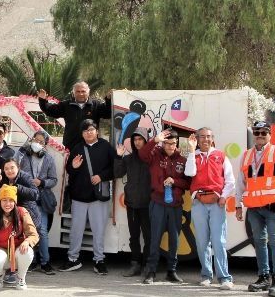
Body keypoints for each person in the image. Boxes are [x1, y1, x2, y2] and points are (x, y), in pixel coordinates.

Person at [238, 121, 275, 297]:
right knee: (259, 242)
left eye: (264, 133)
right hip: (254, 207)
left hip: (272, 206)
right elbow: (241, 183)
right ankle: (263, 277)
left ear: (270, 135)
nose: (260, 135)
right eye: (257, 132)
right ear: (253, 134)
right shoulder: (246, 155)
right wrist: (238, 205)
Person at [184, 127, 236, 289]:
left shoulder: (220, 156)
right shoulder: (193, 156)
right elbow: (189, 173)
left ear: (212, 138)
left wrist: (223, 196)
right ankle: (206, 275)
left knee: (218, 241)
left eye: (208, 136)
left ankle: (224, 277)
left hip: (216, 203)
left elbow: (230, 180)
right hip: (199, 202)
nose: (205, 139)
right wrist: (192, 151)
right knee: (201, 241)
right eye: (202, 137)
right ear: (197, 139)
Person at [60, 119, 114, 275]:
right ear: (82, 134)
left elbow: (115, 169)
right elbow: (69, 170)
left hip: (98, 197)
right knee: (76, 230)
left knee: (98, 231)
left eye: (91, 130)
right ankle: (73, 259)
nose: (89, 133)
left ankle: (99, 260)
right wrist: (73, 167)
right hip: (79, 197)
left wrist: (102, 176)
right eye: (85, 131)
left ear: (97, 131)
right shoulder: (78, 147)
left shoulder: (106, 147)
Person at [141, 129, 191, 284]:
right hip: (157, 203)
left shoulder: (182, 160)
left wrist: (174, 181)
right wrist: (154, 141)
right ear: (163, 143)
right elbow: (142, 154)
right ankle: (151, 271)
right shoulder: (155, 156)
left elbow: (188, 183)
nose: (171, 147)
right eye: (168, 143)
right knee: (155, 238)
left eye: (173, 144)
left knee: (174, 240)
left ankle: (172, 271)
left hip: (175, 205)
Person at [0, 185, 39, 290]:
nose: (8, 204)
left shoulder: (22, 212)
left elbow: (34, 234)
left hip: (17, 252)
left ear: (15, 202)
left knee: (27, 252)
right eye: (4, 200)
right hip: (0, 251)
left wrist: (27, 242)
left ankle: (20, 277)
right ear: (0, 201)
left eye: (11, 200)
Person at [17, 130, 58, 275]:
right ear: (32, 139)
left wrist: (41, 182)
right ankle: (30, 261)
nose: (38, 143)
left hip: (41, 200)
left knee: (42, 231)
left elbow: (54, 180)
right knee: (26, 230)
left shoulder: (49, 159)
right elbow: (13, 163)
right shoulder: (24, 155)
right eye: (36, 140)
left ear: (45, 145)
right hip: (26, 198)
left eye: (41, 142)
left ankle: (45, 262)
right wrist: (23, 147)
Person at [113, 128, 152, 277]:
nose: (137, 142)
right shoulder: (128, 159)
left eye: (140, 139)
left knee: (149, 236)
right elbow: (117, 174)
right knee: (134, 236)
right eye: (135, 140)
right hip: (132, 203)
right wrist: (118, 157)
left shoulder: (151, 158)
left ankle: (148, 264)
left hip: (148, 204)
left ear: (146, 141)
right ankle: (135, 264)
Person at [37, 81, 111, 153]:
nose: (81, 94)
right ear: (73, 93)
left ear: (88, 92)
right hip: (71, 146)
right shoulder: (66, 105)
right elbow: (51, 111)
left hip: (91, 146)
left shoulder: (96, 105)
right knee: (72, 165)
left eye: (83, 91)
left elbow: (107, 114)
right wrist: (42, 101)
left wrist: (108, 100)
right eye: (77, 91)